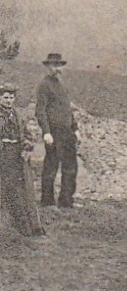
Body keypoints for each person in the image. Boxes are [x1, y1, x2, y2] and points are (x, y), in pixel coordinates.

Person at [34, 53, 78, 209]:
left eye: (59, 65)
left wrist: (75, 128)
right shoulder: (44, 85)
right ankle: (47, 201)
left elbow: (68, 109)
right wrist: (46, 132)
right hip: (54, 132)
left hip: (67, 133)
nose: (57, 68)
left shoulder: (62, 85)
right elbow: (40, 110)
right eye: (53, 65)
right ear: (47, 67)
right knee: (51, 166)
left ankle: (66, 201)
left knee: (70, 167)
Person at [0, 84, 43, 237]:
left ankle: (25, 227)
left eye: (11, 98)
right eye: (5, 97)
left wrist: (27, 147)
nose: (9, 101)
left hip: (16, 155)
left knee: (19, 189)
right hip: (2, 154)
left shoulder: (17, 115)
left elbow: (27, 135)